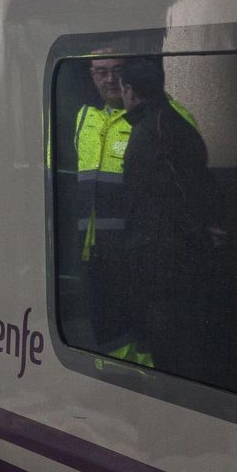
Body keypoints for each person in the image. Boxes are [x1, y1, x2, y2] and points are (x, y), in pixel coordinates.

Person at [72, 54, 194, 359]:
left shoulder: (165, 117)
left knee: (145, 336)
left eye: (117, 72)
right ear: (91, 75)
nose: (110, 80)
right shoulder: (84, 119)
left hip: (142, 255)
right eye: (101, 72)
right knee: (109, 334)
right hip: (96, 253)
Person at [118, 57, 223, 376]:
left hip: (161, 262)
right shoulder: (179, 125)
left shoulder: (149, 134)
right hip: (185, 257)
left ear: (130, 91)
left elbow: (156, 202)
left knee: (171, 350)